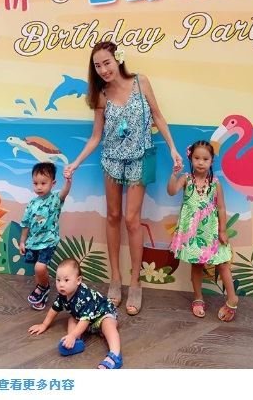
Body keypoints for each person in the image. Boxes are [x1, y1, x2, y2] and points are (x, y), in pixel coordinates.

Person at [64, 41, 182, 316]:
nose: (103, 70)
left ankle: (135, 281)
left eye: (106, 63)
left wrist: (173, 148)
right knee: (113, 216)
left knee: (132, 219)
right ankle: (115, 279)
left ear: (118, 59)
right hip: (112, 160)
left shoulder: (141, 82)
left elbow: (158, 116)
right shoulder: (101, 95)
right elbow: (96, 136)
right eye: (97, 66)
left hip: (141, 157)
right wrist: (76, 163)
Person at [168, 140, 238, 321]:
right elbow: (172, 191)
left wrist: (223, 230)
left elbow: (221, 207)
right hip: (193, 232)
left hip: (211, 231)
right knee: (197, 265)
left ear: (211, 161)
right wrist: (174, 175)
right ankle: (198, 298)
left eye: (205, 159)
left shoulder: (215, 183)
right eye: (197, 158)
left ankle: (232, 298)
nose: (200, 162)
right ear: (191, 159)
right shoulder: (186, 179)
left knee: (223, 263)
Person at [28, 258, 123, 369]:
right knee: (72, 319)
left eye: (66, 280)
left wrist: (71, 335)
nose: (61, 284)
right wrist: (44, 324)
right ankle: (76, 342)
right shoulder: (63, 295)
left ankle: (115, 355)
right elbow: (54, 309)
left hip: (103, 314)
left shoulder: (84, 296)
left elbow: (85, 320)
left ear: (78, 280)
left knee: (108, 325)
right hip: (87, 320)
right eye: (58, 280)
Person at [19, 162, 71, 310]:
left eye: (43, 183)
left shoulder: (55, 199)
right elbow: (26, 224)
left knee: (40, 267)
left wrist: (68, 181)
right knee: (38, 271)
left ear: (53, 183)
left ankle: (44, 287)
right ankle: (42, 295)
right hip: (33, 242)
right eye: (35, 183)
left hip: (48, 241)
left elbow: (64, 192)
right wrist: (22, 241)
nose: (39, 187)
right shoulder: (32, 204)